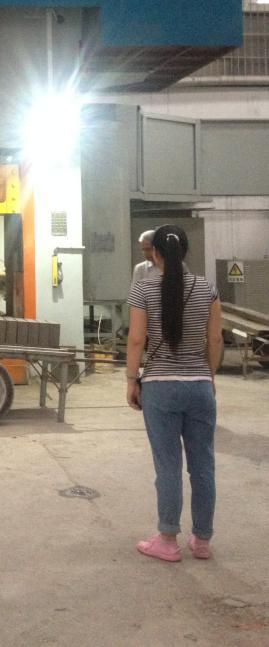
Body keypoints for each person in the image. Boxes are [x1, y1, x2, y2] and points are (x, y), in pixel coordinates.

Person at [126, 224, 222, 563]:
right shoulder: (207, 288)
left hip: (160, 387)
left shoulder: (143, 289)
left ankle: (167, 540)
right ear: (184, 252)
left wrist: (131, 379)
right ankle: (202, 540)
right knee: (203, 465)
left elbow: (136, 339)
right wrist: (209, 376)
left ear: (154, 253)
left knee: (168, 466)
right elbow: (214, 339)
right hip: (199, 386)